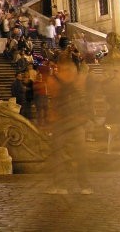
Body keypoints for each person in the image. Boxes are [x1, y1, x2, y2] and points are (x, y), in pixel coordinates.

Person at [45, 51, 93, 195]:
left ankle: (60, 186)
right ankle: (85, 185)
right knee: (81, 153)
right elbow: (84, 96)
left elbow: (52, 98)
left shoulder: (52, 79)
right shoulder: (78, 77)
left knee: (57, 154)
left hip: (59, 121)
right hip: (76, 121)